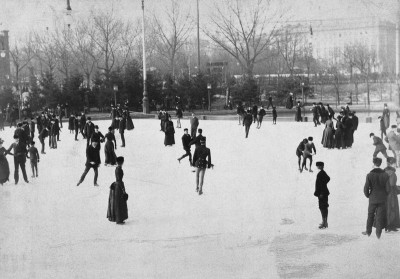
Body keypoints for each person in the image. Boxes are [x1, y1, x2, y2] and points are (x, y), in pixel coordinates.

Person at [362, 157, 390, 239]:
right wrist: (385, 195)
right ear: (380, 164)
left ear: (373, 163)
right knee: (380, 216)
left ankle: (368, 232)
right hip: (382, 198)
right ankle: (378, 234)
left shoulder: (369, 175)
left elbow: (366, 188)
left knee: (370, 215)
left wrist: (368, 195)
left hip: (372, 198)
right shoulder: (385, 175)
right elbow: (388, 189)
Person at [107, 156, 128, 225]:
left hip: (117, 186)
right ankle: (119, 220)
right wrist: (123, 190)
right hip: (119, 187)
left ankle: (119, 219)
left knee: (118, 203)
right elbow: (119, 180)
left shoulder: (117, 168)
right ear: (122, 162)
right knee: (120, 203)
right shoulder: (119, 169)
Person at [383, 157, 400, 232]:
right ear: (391, 163)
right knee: (393, 209)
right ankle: (391, 226)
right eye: (394, 163)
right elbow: (392, 183)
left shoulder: (383, 172)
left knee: (387, 209)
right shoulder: (392, 173)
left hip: (385, 193)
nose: (395, 165)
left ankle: (387, 226)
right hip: (392, 193)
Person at [314, 161, 330, 229]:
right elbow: (328, 179)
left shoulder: (320, 174)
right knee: (324, 207)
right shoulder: (323, 173)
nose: (317, 167)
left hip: (322, 194)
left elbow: (322, 184)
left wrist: (321, 193)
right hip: (323, 193)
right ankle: (325, 222)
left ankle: (324, 223)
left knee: (322, 207)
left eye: (318, 166)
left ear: (321, 166)